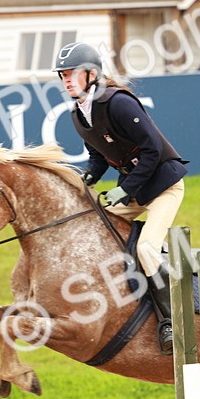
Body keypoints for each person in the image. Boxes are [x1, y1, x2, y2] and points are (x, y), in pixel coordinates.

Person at [54, 41, 187, 356]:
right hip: (136, 188)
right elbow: (99, 156)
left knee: (146, 248)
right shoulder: (79, 113)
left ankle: (170, 322)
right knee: (95, 225)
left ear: (92, 73)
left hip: (164, 187)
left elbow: (153, 149)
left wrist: (125, 190)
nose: (67, 80)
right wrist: (89, 176)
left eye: (72, 73)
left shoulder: (118, 103)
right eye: (63, 75)